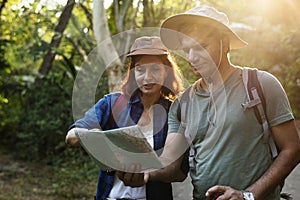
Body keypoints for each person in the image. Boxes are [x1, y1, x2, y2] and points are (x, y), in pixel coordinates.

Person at [118, 6, 300, 200]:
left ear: (225, 44)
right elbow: (172, 166)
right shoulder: (183, 103)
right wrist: (147, 173)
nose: (191, 57)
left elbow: (293, 149)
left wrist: (248, 195)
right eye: (187, 49)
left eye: (201, 46)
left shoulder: (260, 84)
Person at [65, 36, 186, 200]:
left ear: (166, 72)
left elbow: (179, 173)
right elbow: (71, 136)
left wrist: (147, 174)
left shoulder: (175, 112)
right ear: (132, 72)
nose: (147, 77)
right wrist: (97, 138)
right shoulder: (111, 103)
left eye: (155, 69)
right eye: (140, 70)